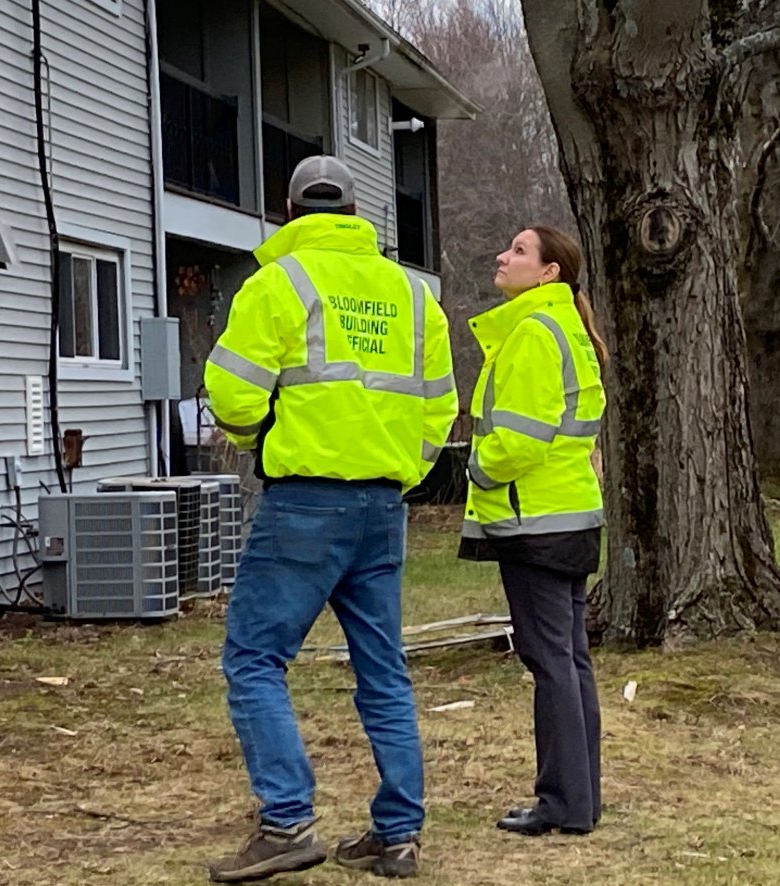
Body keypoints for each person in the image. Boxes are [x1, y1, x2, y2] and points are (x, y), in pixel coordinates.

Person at [202, 155, 458, 882]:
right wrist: (401, 467)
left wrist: (263, 440)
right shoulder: (411, 295)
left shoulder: (278, 283)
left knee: (254, 658)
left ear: (289, 210)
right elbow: (439, 404)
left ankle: (285, 821)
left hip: (305, 501)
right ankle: (397, 834)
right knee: (383, 670)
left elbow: (233, 392)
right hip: (382, 504)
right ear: (353, 214)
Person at [459, 225, 607, 837]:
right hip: (570, 516)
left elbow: (521, 438)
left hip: (533, 522)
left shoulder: (531, 334)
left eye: (519, 251)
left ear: (549, 272)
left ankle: (563, 804)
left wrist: (476, 464)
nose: (503, 256)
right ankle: (582, 798)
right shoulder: (566, 327)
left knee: (551, 662)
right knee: (570, 660)